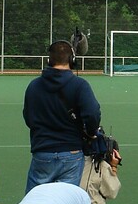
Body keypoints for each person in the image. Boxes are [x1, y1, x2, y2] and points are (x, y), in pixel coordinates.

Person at [22, 40, 101, 193]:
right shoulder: (80, 85)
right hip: (71, 152)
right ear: (72, 60)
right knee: (65, 203)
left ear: (48, 61)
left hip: (42, 151)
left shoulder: (34, 86)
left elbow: (29, 118)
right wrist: (91, 133)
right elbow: (92, 114)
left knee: (35, 203)